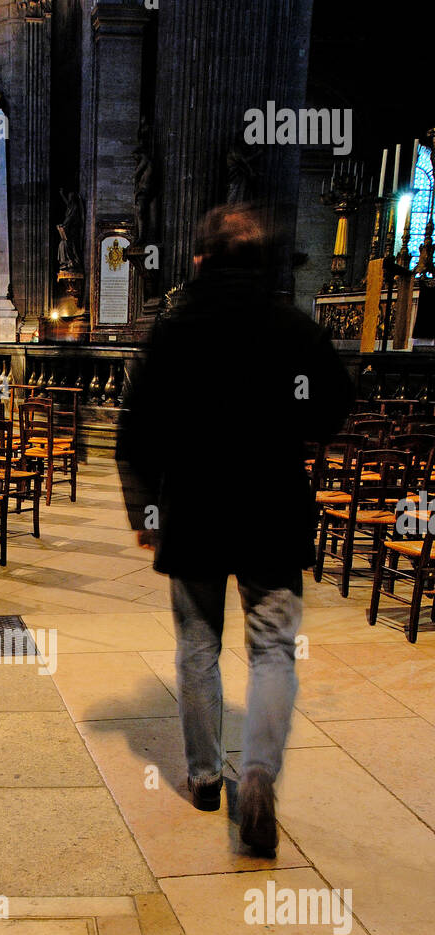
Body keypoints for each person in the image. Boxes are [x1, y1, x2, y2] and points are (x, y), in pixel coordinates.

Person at [116, 205, 354, 854]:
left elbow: (134, 432)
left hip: (193, 513)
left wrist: (147, 513)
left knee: (198, 647)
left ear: (199, 259)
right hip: (271, 513)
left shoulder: (172, 333)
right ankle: (256, 776)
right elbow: (334, 407)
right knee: (273, 650)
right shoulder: (292, 330)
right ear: (263, 262)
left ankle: (202, 777)